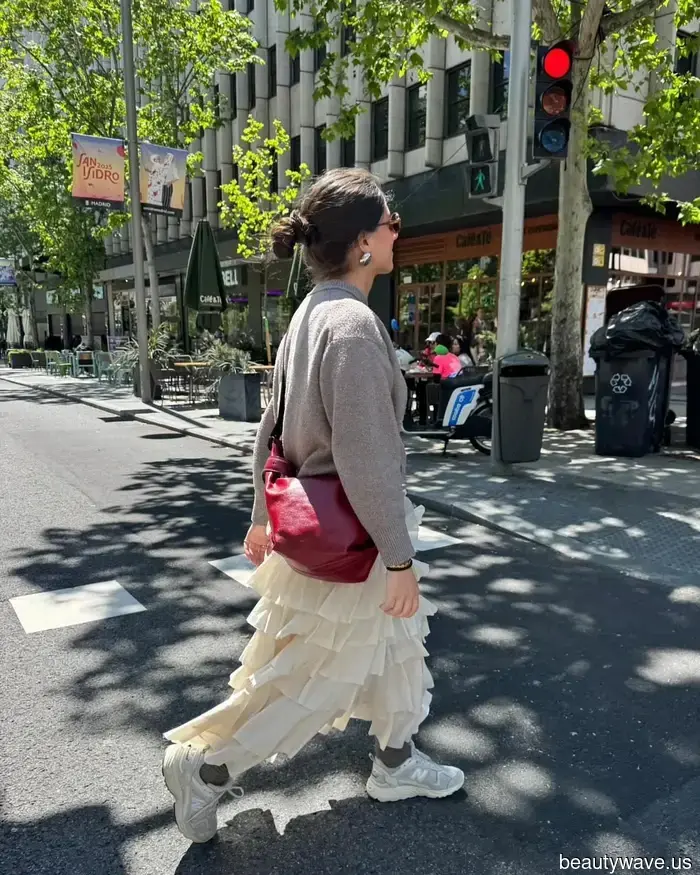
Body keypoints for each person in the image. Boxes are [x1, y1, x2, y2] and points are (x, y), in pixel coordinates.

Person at [161, 168, 464, 844]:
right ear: (361, 242)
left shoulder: (308, 313)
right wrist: (399, 556)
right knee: (314, 678)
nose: (397, 231)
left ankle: (395, 759)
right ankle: (205, 770)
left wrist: (260, 511)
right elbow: (367, 458)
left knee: (392, 650)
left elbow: (270, 425)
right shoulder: (351, 326)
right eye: (389, 221)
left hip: (317, 523)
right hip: (354, 537)